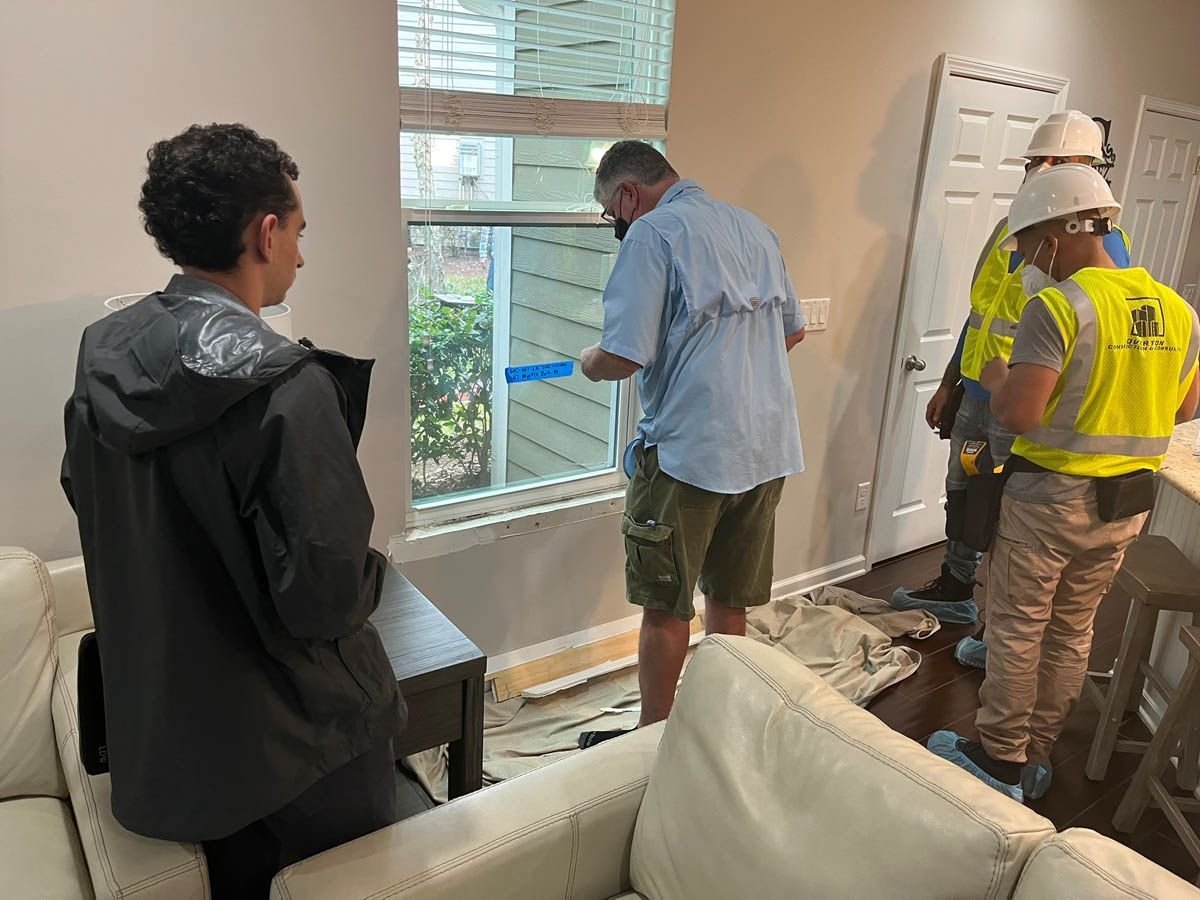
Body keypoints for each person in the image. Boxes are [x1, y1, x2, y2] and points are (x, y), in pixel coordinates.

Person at [61, 123, 404, 898]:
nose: (302, 257)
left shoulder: (103, 354)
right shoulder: (286, 389)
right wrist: (375, 568)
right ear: (266, 230)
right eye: (300, 234)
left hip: (164, 745)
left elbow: (87, 496)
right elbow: (326, 598)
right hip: (290, 759)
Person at [927, 163, 1200, 803]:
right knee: (1073, 630)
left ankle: (999, 759)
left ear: (1060, 231)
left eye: (1027, 243)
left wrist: (997, 379)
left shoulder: (1060, 307)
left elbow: (1018, 413)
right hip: (1127, 504)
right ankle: (1037, 755)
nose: (1026, 257)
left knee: (1019, 628)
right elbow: (1186, 409)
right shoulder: (1177, 310)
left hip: (1050, 499)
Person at [575, 141, 806, 747]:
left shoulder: (653, 235)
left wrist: (587, 364)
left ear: (629, 195)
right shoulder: (756, 229)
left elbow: (623, 355)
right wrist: (733, 377)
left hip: (689, 458)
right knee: (730, 604)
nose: (615, 226)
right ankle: (720, 734)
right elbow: (794, 330)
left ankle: (653, 744)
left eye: (609, 214)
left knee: (666, 606)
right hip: (764, 449)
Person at [892, 112, 1132, 643]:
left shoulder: (1105, 245)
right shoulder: (1011, 228)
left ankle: (995, 629)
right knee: (965, 489)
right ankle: (956, 590)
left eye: (1054, 161)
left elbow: (1091, 341)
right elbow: (981, 311)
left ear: (1086, 169)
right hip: (981, 387)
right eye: (1032, 160)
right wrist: (952, 381)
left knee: (1004, 510)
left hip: (1027, 401)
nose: (1038, 169)